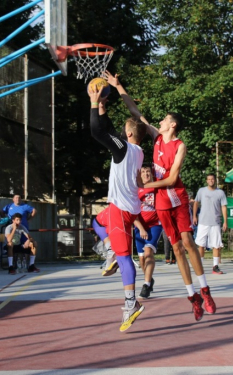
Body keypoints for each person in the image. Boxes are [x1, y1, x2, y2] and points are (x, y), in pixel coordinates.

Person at [104, 71, 216, 321]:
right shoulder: (155, 138)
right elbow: (135, 111)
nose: (161, 121)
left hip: (176, 196)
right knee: (175, 248)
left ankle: (205, 290)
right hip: (161, 200)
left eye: (165, 119)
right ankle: (192, 297)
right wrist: (119, 85)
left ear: (172, 125)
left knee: (187, 241)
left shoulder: (179, 145)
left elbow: (173, 178)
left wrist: (149, 185)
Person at [89, 81, 146, 332]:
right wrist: (103, 106)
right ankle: (110, 248)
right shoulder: (138, 150)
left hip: (121, 210)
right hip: (128, 207)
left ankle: (131, 303)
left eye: (125, 129)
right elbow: (109, 129)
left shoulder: (123, 148)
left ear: (130, 134)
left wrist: (93, 102)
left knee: (126, 261)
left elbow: (98, 132)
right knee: (95, 221)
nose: (121, 132)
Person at [134, 166, 162, 299]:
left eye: (148, 172)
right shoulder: (135, 190)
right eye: (143, 172)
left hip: (155, 225)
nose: (146, 174)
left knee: (148, 252)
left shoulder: (157, 187)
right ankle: (149, 278)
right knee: (141, 259)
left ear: (151, 174)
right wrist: (140, 228)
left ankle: (145, 285)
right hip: (139, 226)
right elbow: (132, 214)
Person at [193, 173, 228, 275]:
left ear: (215, 180)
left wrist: (225, 221)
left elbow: (224, 207)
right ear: (206, 181)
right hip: (203, 222)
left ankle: (215, 267)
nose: (211, 181)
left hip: (215, 222)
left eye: (212, 179)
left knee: (216, 245)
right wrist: (194, 216)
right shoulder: (201, 191)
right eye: (209, 179)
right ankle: (200, 266)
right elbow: (196, 202)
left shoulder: (220, 193)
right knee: (201, 245)